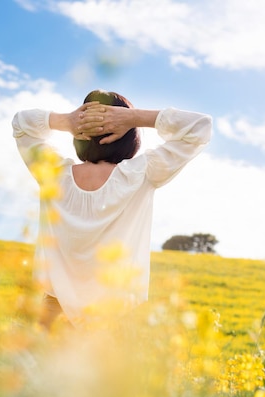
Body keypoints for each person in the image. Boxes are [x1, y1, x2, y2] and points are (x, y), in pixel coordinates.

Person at [12, 89, 212, 329]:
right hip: (116, 319)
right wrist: (134, 118)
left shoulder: (53, 173)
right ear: (130, 135)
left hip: (53, 314)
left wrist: (66, 121)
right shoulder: (141, 173)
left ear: (80, 134)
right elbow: (200, 126)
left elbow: (21, 125)